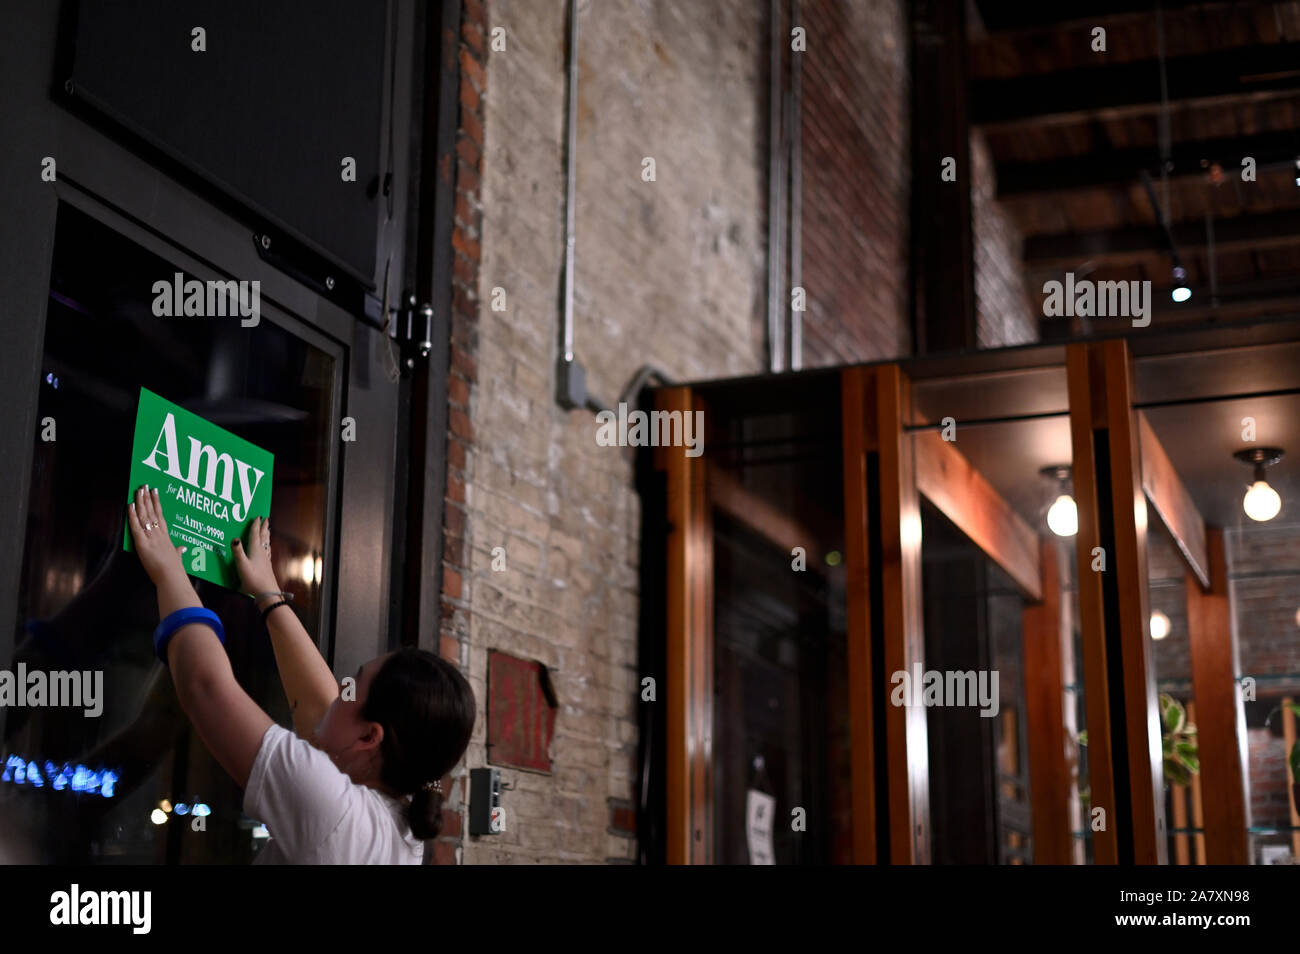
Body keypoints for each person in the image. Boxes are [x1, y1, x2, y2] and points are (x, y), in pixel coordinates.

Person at [126, 484, 475, 864]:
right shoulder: (396, 824)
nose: (338, 688)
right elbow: (317, 706)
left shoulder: (337, 817)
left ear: (369, 736)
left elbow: (206, 688)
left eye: (352, 688)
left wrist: (167, 572)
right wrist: (267, 594)